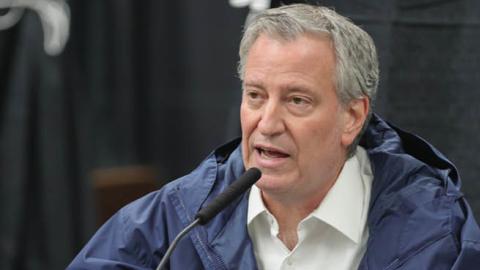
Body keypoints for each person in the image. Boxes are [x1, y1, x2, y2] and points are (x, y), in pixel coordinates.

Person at [68, 4, 480, 269]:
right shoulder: (175, 220)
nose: (267, 122)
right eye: (255, 95)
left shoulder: (436, 232)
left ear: (352, 117)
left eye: (297, 100)